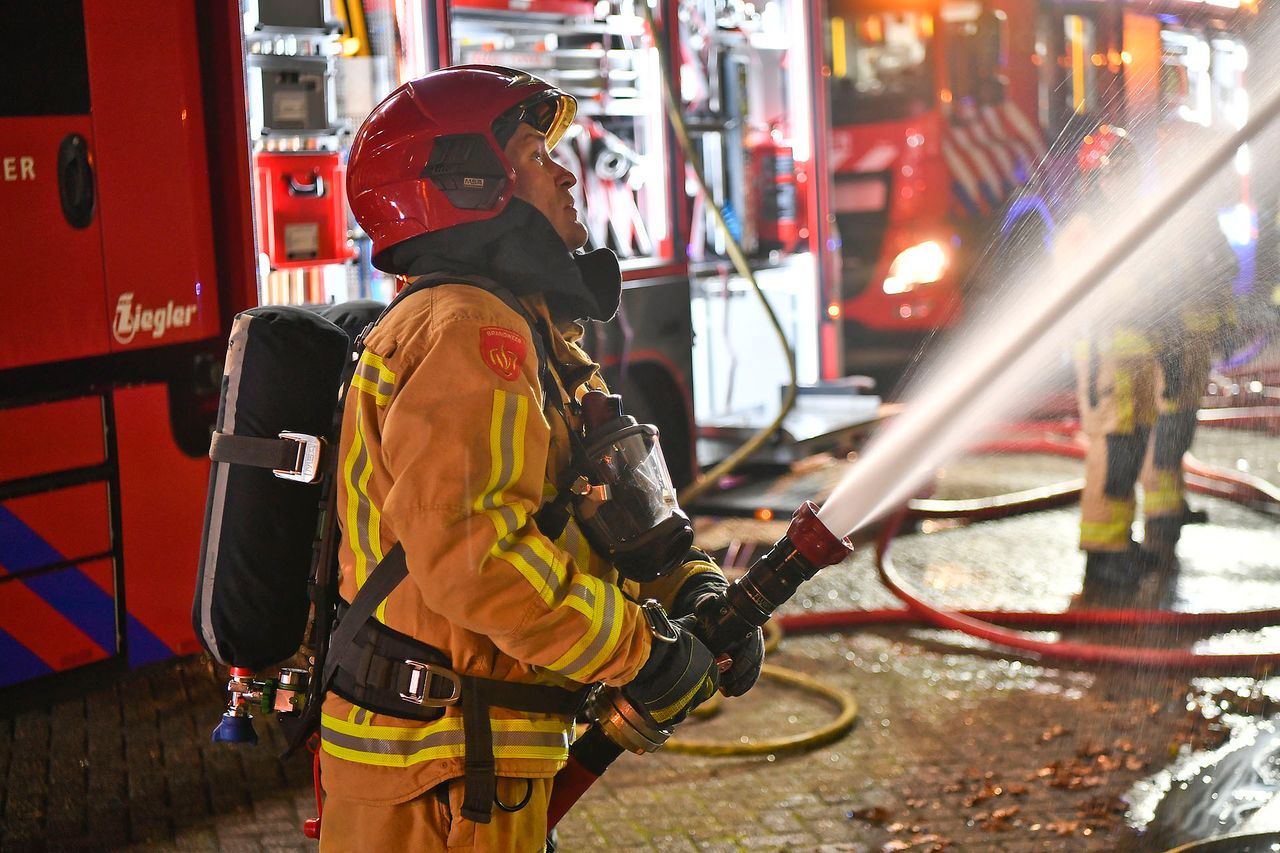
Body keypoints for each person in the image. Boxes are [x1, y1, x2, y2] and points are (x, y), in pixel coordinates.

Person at [318, 65, 765, 852]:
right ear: (467, 180)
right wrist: (639, 648)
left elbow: (597, 506)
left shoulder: (528, 332)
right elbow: (476, 555)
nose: (566, 172)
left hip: (469, 769)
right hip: (436, 785)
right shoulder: (465, 330)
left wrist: (692, 587)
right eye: (534, 154)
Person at [1063, 125, 1239, 596]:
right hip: (1109, 358)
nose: (1123, 181)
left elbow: (1160, 286)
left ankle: (1118, 543)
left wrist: (1168, 340)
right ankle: (1103, 554)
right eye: (1114, 173)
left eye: (1128, 171)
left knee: (1135, 444)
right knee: (1114, 453)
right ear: (1095, 179)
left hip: (1138, 357)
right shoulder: (1085, 230)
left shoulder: (1132, 221)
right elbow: (1111, 298)